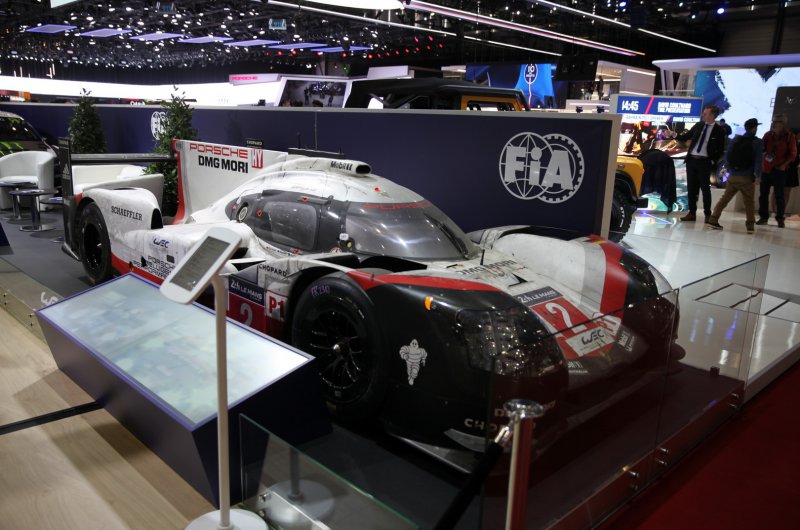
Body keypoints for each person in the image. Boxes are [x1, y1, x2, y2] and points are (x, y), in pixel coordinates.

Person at [707, 118, 762, 233]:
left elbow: (727, 158)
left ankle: (713, 218)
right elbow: (758, 160)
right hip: (747, 177)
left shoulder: (736, 140)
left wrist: (732, 170)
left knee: (724, 199)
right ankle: (750, 226)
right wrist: (757, 175)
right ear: (754, 128)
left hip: (733, 176)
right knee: (749, 202)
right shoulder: (757, 142)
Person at [673, 105, 726, 222]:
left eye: (705, 113)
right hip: (692, 160)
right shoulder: (699, 125)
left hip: (704, 162)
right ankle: (692, 213)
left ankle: (707, 214)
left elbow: (720, 149)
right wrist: (674, 135)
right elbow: (686, 137)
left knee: (705, 189)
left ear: (712, 115)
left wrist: (712, 161)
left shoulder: (719, 131)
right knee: (691, 188)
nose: (703, 115)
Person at [757, 114, 797, 228]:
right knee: (763, 194)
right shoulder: (768, 135)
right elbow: (761, 149)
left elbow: (793, 154)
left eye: (779, 122)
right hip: (767, 169)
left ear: (783, 124)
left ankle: (780, 218)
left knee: (780, 195)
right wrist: (763, 155)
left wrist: (784, 164)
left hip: (780, 170)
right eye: (775, 122)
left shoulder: (789, 137)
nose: (776, 124)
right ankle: (763, 217)